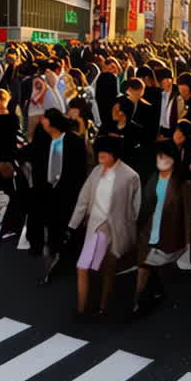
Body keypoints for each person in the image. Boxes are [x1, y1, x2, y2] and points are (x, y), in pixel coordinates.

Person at [68, 133, 141, 320]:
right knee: (84, 267)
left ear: (115, 153)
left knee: (108, 268)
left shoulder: (131, 176)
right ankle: (82, 309)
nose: (100, 155)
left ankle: (101, 307)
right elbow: (83, 199)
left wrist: (130, 231)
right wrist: (73, 225)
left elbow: (135, 209)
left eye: (105, 152)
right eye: (99, 151)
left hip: (115, 229)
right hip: (95, 227)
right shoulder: (96, 171)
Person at [134, 133, 191, 315]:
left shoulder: (182, 184)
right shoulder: (151, 178)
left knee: (151, 267)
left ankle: (148, 296)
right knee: (145, 266)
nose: (162, 159)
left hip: (168, 233)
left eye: (166, 155)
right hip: (148, 232)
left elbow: (187, 213)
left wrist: (186, 240)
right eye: (159, 155)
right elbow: (143, 205)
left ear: (174, 159)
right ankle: (139, 302)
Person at [24, 108, 87, 276]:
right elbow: (33, 153)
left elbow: (80, 170)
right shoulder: (42, 137)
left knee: (61, 222)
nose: (41, 122)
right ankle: (42, 247)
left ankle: (62, 253)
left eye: (45, 120)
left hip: (65, 191)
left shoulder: (74, 142)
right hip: (43, 187)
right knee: (42, 217)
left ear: (53, 124)